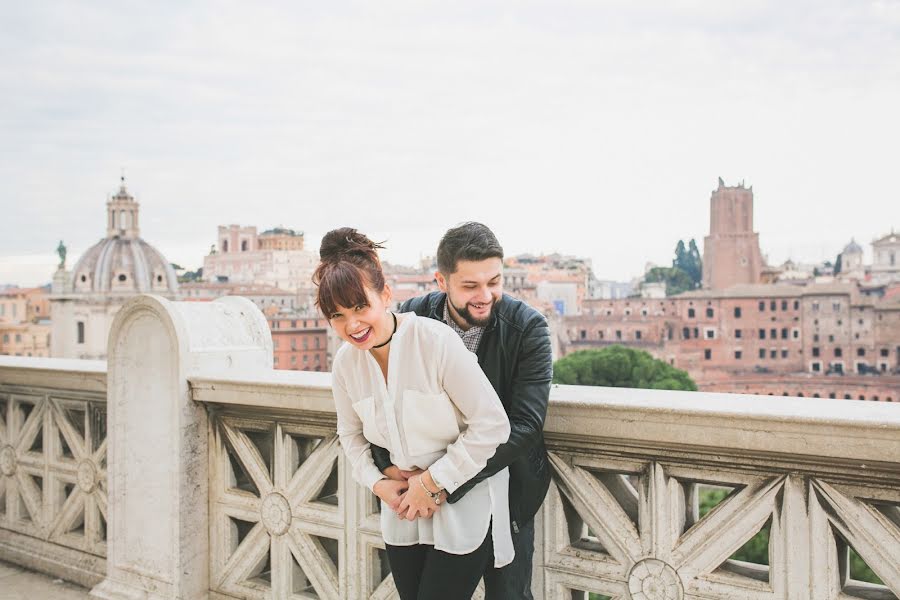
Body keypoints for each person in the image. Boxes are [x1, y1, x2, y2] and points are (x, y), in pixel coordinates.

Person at [315, 227, 514, 600]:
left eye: (361, 307)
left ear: (386, 295)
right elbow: (350, 435)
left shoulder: (435, 341)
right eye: (337, 315)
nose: (352, 325)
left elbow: (492, 424)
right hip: (402, 508)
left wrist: (433, 481)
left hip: (461, 501)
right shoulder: (345, 364)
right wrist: (377, 483)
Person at [371, 222, 553, 600]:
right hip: (421, 490)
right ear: (442, 281)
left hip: (507, 485)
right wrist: (390, 467)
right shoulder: (412, 316)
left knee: (508, 594)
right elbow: (382, 398)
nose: (485, 295)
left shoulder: (528, 327)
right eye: (470, 286)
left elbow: (525, 426)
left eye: (494, 281)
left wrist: (439, 480)